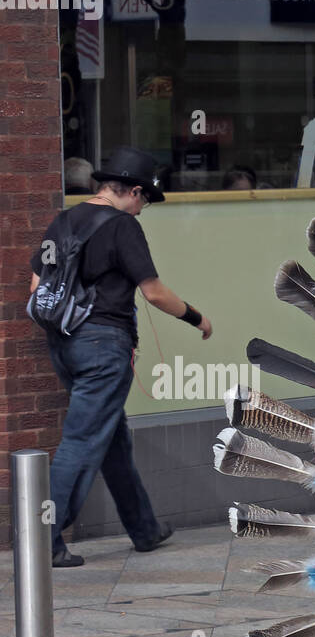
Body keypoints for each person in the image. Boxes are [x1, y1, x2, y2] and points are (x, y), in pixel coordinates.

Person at [29, 145, 213, 567]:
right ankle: (46, 538)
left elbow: (37, 286)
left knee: (111, 437)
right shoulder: (122, 226)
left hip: (65, 344)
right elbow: (153, 291)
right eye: (145, 198)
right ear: (132, 191)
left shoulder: (62, 222)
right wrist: (197, 318)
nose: (144, 208)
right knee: (80, 441)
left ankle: (143, 528)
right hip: (103, 347)